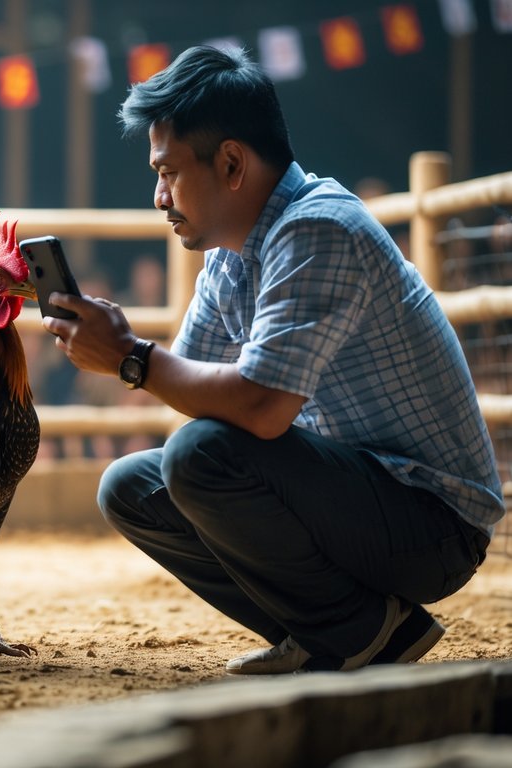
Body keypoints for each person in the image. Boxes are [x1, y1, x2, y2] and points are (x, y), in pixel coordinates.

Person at [41, 45, 503, 675]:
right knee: (131, 487)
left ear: (231, 163)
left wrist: (130, 357)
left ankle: (357, 632)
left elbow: (256, 408)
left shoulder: (318, 228)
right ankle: (344, 630)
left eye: (169, 172)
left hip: (431, 521)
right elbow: (198, 390)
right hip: (353, 494)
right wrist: (124, 352)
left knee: (199, 456)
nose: (159, 195)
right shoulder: (230, 255)